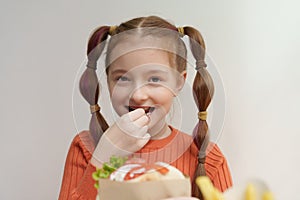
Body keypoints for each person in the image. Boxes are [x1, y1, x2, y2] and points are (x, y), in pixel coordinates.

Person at [59, 16, 232, 200]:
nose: (138, 95)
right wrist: (103, 158)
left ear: (179, 83)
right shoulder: (86, 147)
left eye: (154, 79)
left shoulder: (207, 157)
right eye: (122, 78)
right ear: (107, 81)